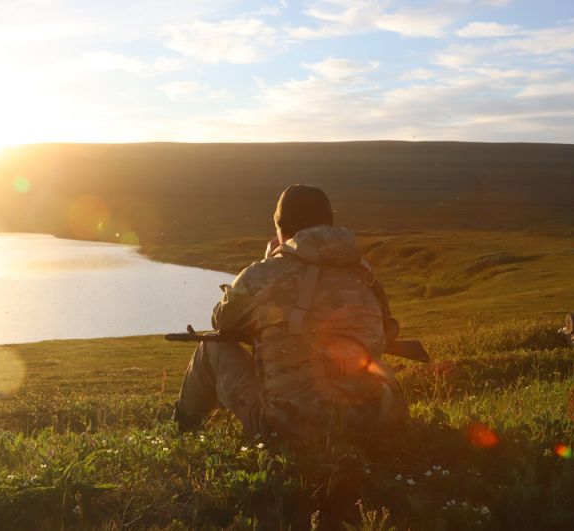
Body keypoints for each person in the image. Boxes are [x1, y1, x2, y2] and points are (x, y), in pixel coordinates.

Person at [172, 184, 407, 443]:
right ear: (329, 223)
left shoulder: (264, 275)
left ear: (281, 228)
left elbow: (222, 321)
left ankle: (181, 431)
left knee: (212, 349)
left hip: (294, 431)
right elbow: (385, 330)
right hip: (375, 420)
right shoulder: (364, 272)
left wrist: (271, 260)